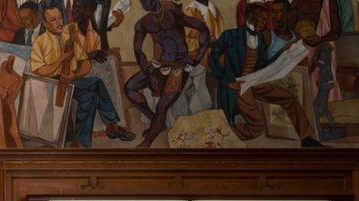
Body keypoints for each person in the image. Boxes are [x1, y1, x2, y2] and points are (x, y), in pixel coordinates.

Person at [209, 3, 325, 147]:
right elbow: (212, 58)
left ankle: (307, 138)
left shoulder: (261, 39)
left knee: (289, 98)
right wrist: (227, 80)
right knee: (257, 128)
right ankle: (220, 133)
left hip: (255, 81)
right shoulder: (231, 35)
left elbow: (264, 64)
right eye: (263, 19)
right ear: (252, 18)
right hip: (238, 84)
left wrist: (285, 53)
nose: (266, 23)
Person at [30, 6, 135, 147]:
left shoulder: (69, 38)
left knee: (91, 96)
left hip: (72, 81)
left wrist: (74, 76)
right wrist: (61, 59)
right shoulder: (40, 42)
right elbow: (38, 70)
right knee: (96, 82)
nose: (59, 22)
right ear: (45, 23)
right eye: (53, 19)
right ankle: (112, 125)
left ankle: (80, 143)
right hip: (53, 83)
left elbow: (85, 63)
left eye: (60, 18)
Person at [124, 0, 210, 148]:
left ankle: (146, 144)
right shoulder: (143, 23)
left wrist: (196, 59)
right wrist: (147, 71)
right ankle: (156, 121)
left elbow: (204, 29)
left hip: (180, 65)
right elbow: (138, 51)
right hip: (162, 63)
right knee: (129, 88)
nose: (144, 3)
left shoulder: (174, 15)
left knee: (162, 106)